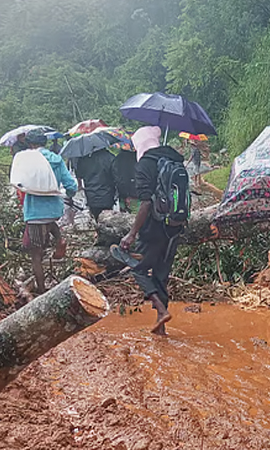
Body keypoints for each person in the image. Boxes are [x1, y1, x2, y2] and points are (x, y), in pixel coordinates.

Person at [120, 126, 187, 335]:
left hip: (153, 228)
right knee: (161, 274)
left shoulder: (145, 165)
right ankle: (161, 329)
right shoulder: (176, 161)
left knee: (137, 268)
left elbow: (146, 203)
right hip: (175, 226)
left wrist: (131, 233)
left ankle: (160, 310)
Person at [18, 129, 78, 294]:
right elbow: (71, 185)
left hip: (35, 212)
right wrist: (70, 195)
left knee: (36, 255)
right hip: (54, 209)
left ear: (30, 144)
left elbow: (19, 182)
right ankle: (59, 239)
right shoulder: (57, 159)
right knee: (50, 222)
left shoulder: (28, 161)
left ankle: (42, 291)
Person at [74, 148, 116, 222]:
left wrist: (80, 185)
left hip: (91, 196)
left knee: (95, 218)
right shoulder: (110, 157)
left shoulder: (84, 159)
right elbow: (116, 175)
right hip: (107, 195)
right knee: (108, 220)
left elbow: (78, 174)